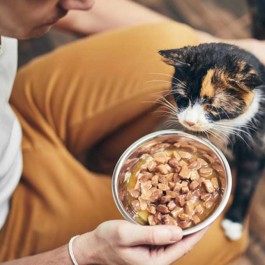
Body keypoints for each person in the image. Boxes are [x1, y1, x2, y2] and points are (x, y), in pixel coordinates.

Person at [0, 0, 264, 264]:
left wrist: (215, 49)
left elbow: (83, 13)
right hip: (10, 225)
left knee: (173, 34)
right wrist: (82, 254)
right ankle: (100, 174)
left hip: (14, 110)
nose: (83, 2)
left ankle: (102, 163)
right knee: (225, 239)